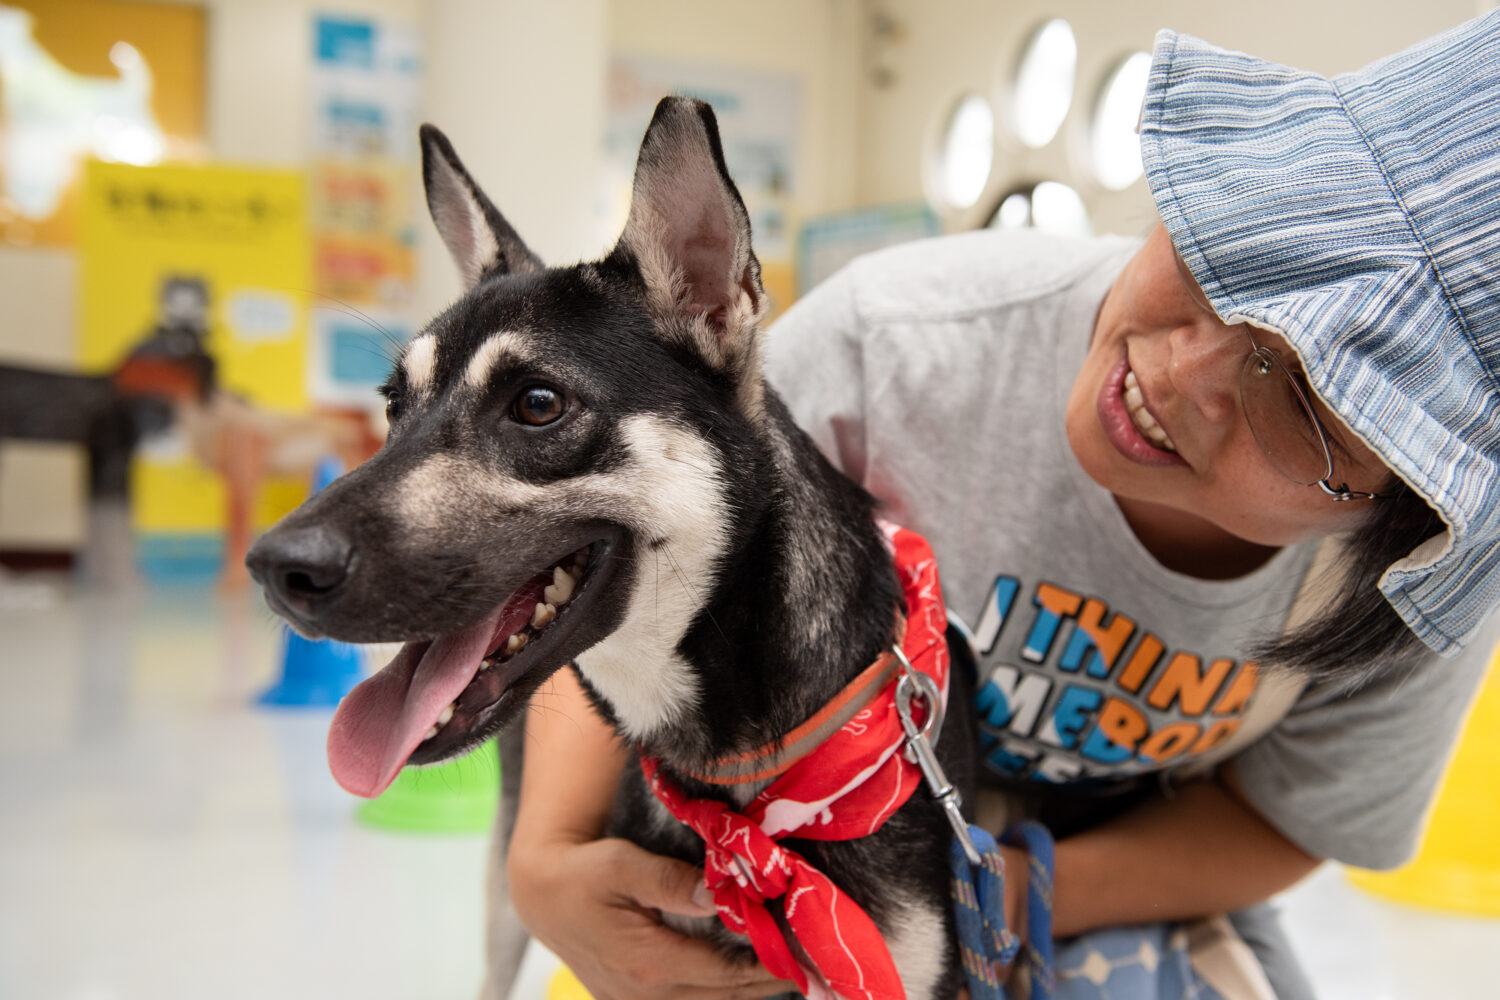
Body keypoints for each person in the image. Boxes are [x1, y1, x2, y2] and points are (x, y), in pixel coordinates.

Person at [506, 12, 1500, 999]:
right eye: (1220, 250)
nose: (1178, 367)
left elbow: (1292, 819)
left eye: (1299, 400)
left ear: (1409, 511)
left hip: (1110, 864)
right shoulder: (896, 350)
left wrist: (999, 893)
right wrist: (546, 852)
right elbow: (638, 557)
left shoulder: (1419, 585)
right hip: (765, 814)